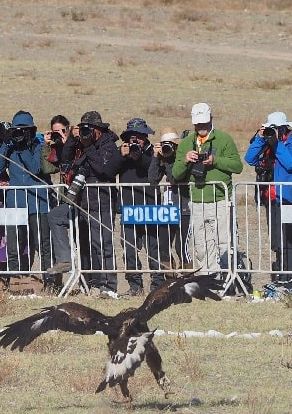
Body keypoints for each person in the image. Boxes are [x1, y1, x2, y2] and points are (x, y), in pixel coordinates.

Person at [48, 111, 123, 294]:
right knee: (55, 216)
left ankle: (109, 286)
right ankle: (65, 260)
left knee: (102, 245)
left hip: (101, 203)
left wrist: (88, 146)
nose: (86, 133)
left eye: (89, 130)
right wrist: (73, 140)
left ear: (99, 130)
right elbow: (65, 160)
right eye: (83, 130)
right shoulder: (81, 144)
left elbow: (104, 170)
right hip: (80, 202)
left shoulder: (109, 146)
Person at [172, 102, 243, 274]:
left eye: (204, 122)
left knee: (225, 243)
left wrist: (215, 160)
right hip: (197, 202)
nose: (201, 126)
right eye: (198, 123)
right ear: (193, 122)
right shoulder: (186, 143)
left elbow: (237, 166)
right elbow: (176, 174)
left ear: (211, 119)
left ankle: (228, 281)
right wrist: (185, 160)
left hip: (221, 200)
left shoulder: (224, 139)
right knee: (201, 245)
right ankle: (208, 282)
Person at [244, 111, 292, 283]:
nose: (273, 132)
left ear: (284, 128)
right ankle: (282, 275)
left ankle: (291, 277)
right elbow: (249, 159)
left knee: (287, 239)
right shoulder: (268, 143)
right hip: (271, 198)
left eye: (276, 129)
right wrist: (259, 139)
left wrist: (277, 145)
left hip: (290, 198)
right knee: (276, 241)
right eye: (271, 129)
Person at [0, 111, 54, 285]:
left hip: (38, 203)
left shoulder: (38, 146)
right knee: (14, 244)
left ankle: (48, 280)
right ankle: (15, 281)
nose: (19, 134)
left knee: (42, 244)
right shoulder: (10, 147)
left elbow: (34, 169)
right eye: (16, 130)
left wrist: (22, 149)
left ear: (30, 131)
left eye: (23, 130)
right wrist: (7, 142)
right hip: (15, 202)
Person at [117, 117, 167, 295]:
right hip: (128, 207)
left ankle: (157, 284)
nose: (135, 140)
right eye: (132, 136)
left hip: (150, 206)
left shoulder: (153, 151)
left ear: (145, 137)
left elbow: (154, 171)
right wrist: (121, 157)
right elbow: (109, 170)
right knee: (129, 249)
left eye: (139, 136)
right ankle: (135, 286)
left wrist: (141, 156)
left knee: (154, 248)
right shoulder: (121, 151)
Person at [148, 127, 192, 269]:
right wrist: (156, 157)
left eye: (170, 145)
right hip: (167, 207)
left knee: (181, 247)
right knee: (164, 247)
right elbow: (153, 179)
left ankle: (187, 279)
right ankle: (170, 281)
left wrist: (168, 159)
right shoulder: (162, 158)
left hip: (184, 206)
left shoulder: (182, 158)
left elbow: (174, 177)